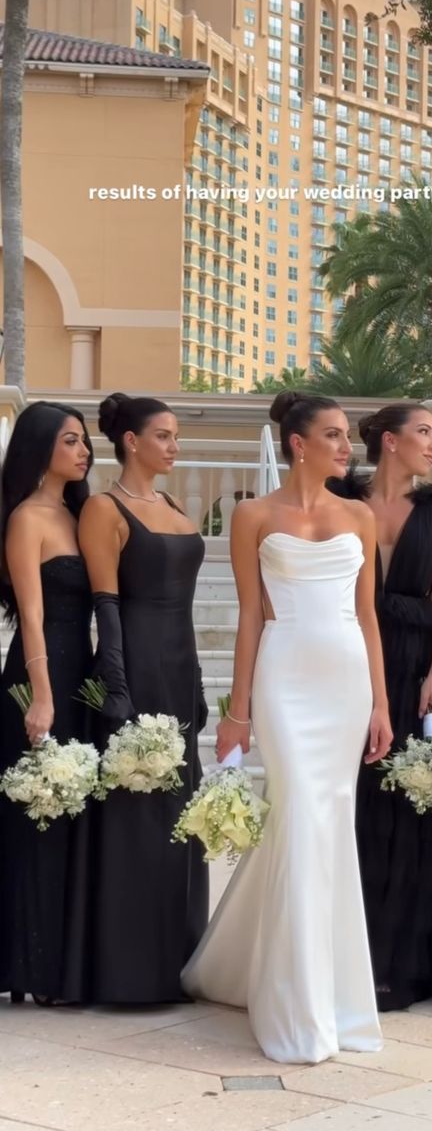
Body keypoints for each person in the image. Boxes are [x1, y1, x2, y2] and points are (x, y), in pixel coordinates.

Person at [182, 391, 393, 1064]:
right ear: (298, 443)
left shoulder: (361, 516)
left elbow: (368, 618)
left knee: (324, 829)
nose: (345, 446)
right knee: (300, 817)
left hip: (346, 680)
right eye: (333, 435)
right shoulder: (252, 514)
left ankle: (329, 998)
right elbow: (250, 615)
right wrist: (237, 711)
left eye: (346, 436)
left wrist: (382, 706)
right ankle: (297, 1010)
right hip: (283, 678)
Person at [329, 403, 432, 1010]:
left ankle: (400, 964)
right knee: (349, 805)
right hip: (344, 657)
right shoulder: (340, 496)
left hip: (411, 667)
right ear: (390, 441)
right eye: (425, 433)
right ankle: (339, 956)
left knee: (405, 814)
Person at [78, 392, 208, 1003]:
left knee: (182, 817)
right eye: (163, 435)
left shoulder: (173, 503)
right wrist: (119, 688)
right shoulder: (104, 508)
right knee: (139, 815)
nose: (173, 446)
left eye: (175, 436)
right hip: (138, 670)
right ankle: (132, 971)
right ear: (131, 441)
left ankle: (179, 957)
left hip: (181, 668)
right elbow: (106, 605)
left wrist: (201, 682)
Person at [0, 402, 94, 1004]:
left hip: (80, 671)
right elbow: (30, 614)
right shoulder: (28, 517)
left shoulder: (78, 512)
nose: (84, 450)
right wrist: (41, 694)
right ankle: (24, 968)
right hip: (39, 674)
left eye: (85, 441)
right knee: (32, 814)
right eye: (70, 441)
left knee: (69, 812)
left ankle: (57, 962)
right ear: (41, 448)